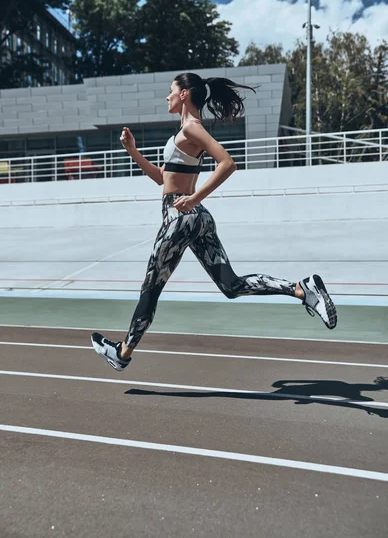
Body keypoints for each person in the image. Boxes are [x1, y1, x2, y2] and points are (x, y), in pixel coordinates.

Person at [91, 73, 337, 371]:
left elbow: (227, 163)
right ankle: (301, 289)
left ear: (184, 94)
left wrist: (194, 199)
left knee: (150, 289)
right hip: (197, 220)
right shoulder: (183, 133)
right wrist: (133, 151)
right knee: (231, 286)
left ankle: (123, 353)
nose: (166, 96)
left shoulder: (191, 129)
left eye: (170, 91)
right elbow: (163, 179)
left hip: (180, 217)